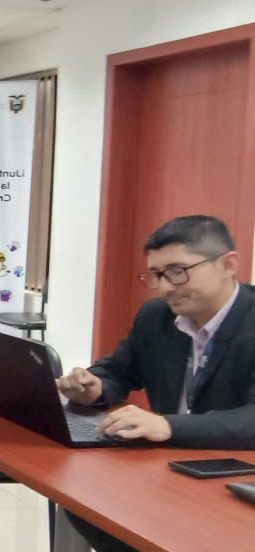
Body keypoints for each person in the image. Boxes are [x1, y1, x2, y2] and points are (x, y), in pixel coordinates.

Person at [54, 215, 255, 552]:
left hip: (235, 481)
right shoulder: (156, 316)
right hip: (168, 472)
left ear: (228, 265)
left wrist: (168, 425)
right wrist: (95, 387)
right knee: (86, 506)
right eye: (157, 275)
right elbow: (118, 370)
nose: (165, 287)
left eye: (178, 271)